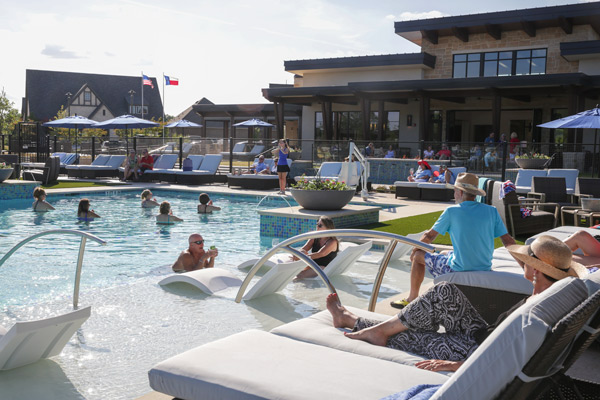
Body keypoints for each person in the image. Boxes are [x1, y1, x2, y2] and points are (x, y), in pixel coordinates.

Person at [326, 235, 586, 372]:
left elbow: (514, 354)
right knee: (445, 291)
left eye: (527, 262)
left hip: (475, 351)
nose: (523, 264)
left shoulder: (538, 312)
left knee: (414, 336)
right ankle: (365, 324)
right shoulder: (548, 293)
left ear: (537, 270)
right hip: (480, 333)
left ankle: (353, 321)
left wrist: (458, 365)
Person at [392, 172, 516, 309]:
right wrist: (525, 265)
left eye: (455, 191)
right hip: (484, 266)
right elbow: (508, 241)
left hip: (459, 269)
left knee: (418, 256)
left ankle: (412, 298)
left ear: (461, 192)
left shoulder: (452, 211)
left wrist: (414, 250)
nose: (454, 194)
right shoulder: (491, 211)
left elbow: (428, 237)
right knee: (445, 252)